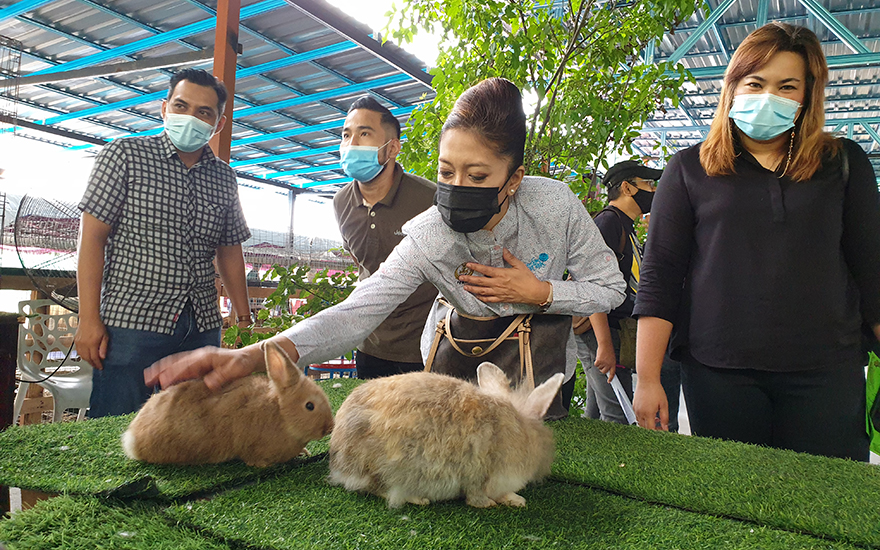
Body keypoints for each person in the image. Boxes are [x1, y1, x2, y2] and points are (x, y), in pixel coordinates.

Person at [144, 77, 626, 404]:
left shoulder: (554, 205)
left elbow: (611, 288)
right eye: (446, 172)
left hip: (539, 372)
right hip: (457, 370)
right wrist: (255, 355)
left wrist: (541, 293)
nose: (457, 187)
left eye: (477, 176)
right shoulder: (431, 233)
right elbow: (358, 311)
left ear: (514, 179)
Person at [632, 23, 880, 460]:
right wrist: (648, 378)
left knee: (826, 493)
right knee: (733, 493)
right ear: (733, 87)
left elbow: (872, 270)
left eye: (787, 86)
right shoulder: (689, 169)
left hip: (826, 372)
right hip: (718, 374)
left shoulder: (843, 163)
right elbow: (660, 277)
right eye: (756, 83)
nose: (769, 96)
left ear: (807, 95)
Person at [75, 68, 252, 418]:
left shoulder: (224, 178)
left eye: (204, 112)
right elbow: (92, 239)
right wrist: (89, 319)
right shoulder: (124, 155)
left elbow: (230, 250)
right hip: (131, 324)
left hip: (201, 327)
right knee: (117, 425)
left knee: (194, 426)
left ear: (218, 124)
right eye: (181, 106)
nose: (190, 118)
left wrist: (244, 316)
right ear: (164, 108)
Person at [333, 96, 437, 379]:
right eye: (346, 135)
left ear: (392, 148)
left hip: (425, 346)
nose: (351, 144)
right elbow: (362, 263)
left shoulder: (430, 199)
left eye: (364, 134)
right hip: (371, 345)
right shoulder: (341, 203)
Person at [575, 160, 660, 424]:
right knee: (618, 416)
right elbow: (592, 283)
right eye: (648, 184)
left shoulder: (626, 226)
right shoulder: (608, 223)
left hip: (614, 330)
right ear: (627, 188)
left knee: (597, 414)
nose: (653, 190)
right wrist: (604, 345)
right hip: (600, 330)